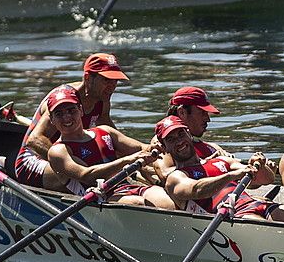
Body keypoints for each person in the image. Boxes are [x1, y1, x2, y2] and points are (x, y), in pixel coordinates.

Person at [13, 52, 127, 190]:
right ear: (88, 78)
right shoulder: (62, 100)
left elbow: (114, 140)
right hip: (33, 161)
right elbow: (35, 140)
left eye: (115, 81)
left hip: (74, 158)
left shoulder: (102, 99)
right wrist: (70, 162)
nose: (112, 86)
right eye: (107, 80)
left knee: (107, 169)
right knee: (92, 176)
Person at [45, 86, 173, 207]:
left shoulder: (105, 131)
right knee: (139, 203)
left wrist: (157, 143)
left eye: (71, 110)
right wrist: (128, 160)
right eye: (59, 114)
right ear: (52, 119)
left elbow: (141, 148)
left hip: (127, 187)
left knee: (167, 201)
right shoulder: (58, 151)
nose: (66, 117)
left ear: (81, 110)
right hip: (99, 197)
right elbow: (87, 176)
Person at [158, 117, 284, 221]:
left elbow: (267, 179)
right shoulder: (176, 178)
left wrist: (260, 166)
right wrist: (231, 176)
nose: (179, 141)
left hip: (257, 204)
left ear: (188, 134)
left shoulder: (222, 161)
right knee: (268, 227)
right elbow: (197, 190)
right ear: (164, 148)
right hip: (232, 216)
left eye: (181, 134)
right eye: (171, 139)